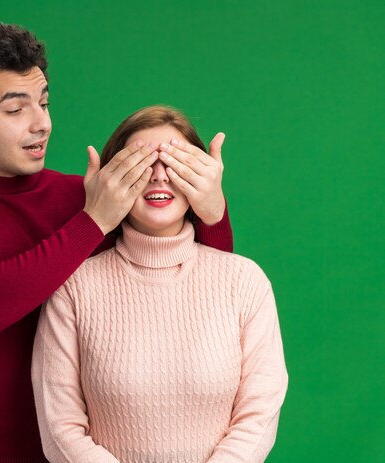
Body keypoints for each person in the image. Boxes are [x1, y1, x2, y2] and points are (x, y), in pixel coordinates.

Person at [0, 24, 233, 463]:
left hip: (83, 451)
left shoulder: (85, 196)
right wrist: (94, 222)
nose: (42, 124)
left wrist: (212, 210)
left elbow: (199, 290)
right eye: (16, 110)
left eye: (45, 103)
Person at [32, 106, 288, 463]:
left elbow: (259, 413)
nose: (159, 176)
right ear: (112, 178)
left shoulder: (245, 282)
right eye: (140, 164)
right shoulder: (74, 288)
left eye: (175, 163)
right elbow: (60, 429)